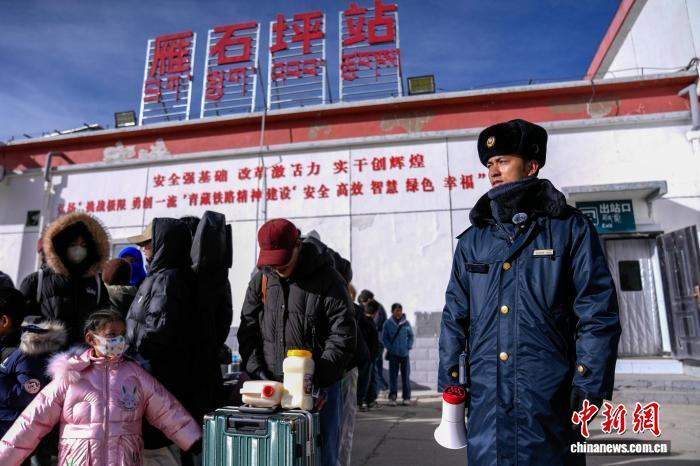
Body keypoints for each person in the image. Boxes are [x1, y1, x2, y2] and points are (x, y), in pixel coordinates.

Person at [439, 119, 621, 466]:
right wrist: (451, 380)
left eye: (503, 161)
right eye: (489, 164)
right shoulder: (473, 241)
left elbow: (597, 313)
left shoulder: (569, 229)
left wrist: (588, 384)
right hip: (487, 400)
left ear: (532, 165)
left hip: (549, 396)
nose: (493, 171)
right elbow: (454, 316)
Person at [0, 309, 202, 466]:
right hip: (79, 459)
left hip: (123, 459)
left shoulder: (135, 375)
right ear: (91, 339)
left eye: (122, 335)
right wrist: (4, 457)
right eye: (112, 334)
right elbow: (34, 420)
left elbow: (166, 409)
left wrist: (193, 439)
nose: (119, 340)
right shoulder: (70, 375)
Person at [238, 218, 356, 466]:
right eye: (272, 262)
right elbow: (248, 328)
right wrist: (257, 372)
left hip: (319, 391)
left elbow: (343, 334)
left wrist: (319, 380)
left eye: (283, 260)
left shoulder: (328, 280)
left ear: (298, 246)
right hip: (272, 390)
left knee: (321, 458)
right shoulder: (262, 279)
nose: (277, 268)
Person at [125, 219, 198, 460]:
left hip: (158, 378)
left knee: (158, 452)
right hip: (153, 377)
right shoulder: (161, 276)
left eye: (148, 243)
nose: (143, 248)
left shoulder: (167, 280)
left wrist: (131, 354)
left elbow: (156, 331)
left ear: (162, 245)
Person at [20, 212, 110, 346]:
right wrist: (46, 333)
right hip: (45, 354)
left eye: (84, 245)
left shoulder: (96, 283)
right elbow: (20, 318)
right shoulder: (37, 280)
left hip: (84, 354)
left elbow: (104, 319)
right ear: (62, 246)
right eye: (73, 244)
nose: (78, 249)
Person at [0, 316, 67, 438]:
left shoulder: (27, 353)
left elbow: (28, 395)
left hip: (13, 432)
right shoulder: (8, 348)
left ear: (4, 321)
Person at [382, 303, 414, 407]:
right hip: (393, 354)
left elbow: (411, 336)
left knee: (405, 377)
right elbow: (384, 338)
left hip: (404, 354)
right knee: (393, 377)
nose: (399, 313)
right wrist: (390, 348)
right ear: (392, 311)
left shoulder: (406, 323)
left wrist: (408, 346)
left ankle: (406, 397)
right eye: (396, 311)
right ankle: (392, 397)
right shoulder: (387, 323)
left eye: (400, 310)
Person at [354, 290, 379, 412]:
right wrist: (373, 355)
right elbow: (373, 343)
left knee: (363, 380)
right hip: (367, 357)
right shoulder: (370, 324)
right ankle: (360, 402)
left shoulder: (362, 322)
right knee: (364, 381)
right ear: (376, 313)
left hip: (362, 356)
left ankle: (362, 401)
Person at [358, 290, 388, 393]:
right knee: (372, 370)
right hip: (370, 344)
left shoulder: (377, 308)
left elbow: (377, 324)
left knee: (375, 368)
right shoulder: (364, 307)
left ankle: (380, 388)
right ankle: (377, 390)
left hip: (376, 343)